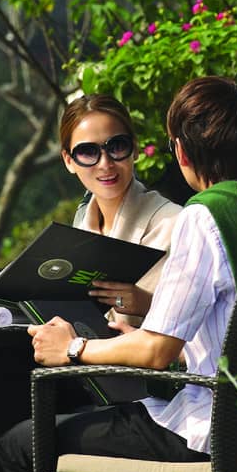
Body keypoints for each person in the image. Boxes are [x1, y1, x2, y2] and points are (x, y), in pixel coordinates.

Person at [0, 76, 237, 472]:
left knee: (20, 445)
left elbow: (157, 351)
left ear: (181, 151)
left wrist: (72, 348)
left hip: (214, 430)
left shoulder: (205, 215)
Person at [58, 94, 180, 327]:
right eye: (87, 152)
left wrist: (148, 303)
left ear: (134, 148)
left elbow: (204, 329)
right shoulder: (78, 235)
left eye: (117, 146)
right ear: (68, 160)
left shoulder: (176, 224)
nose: (105, 164)